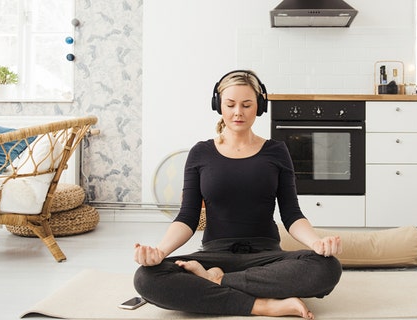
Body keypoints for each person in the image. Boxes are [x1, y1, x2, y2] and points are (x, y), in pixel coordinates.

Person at [133, 70, 343, 319]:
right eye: (230, 104)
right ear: (218, 105)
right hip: (215, 254)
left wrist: (315, 243)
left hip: (267, 258)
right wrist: (159, 252)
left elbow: (291, 214)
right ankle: (262, 305)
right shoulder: (200, 153)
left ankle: (217, 282)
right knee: (147, 277)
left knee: (326, 268)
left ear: (259, 106)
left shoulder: (276, 151)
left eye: (246, 105)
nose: (238, 112)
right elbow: (187, 217)